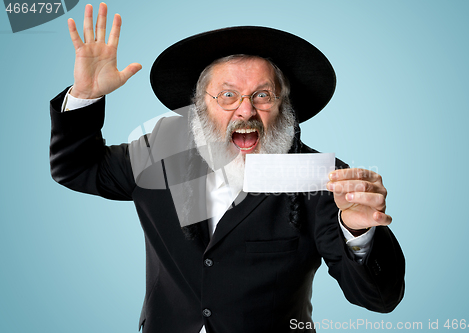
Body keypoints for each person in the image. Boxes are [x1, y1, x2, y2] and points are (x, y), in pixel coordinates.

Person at [50, 3, 405, 333]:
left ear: (284, 106)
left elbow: (379, 299)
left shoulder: (322, 178)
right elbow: (78, 168)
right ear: (200, 106)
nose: (246, 111)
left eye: (262, 95)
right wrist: (86, 95)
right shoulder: (160, 153)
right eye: (228, 95)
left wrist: (358, 235)